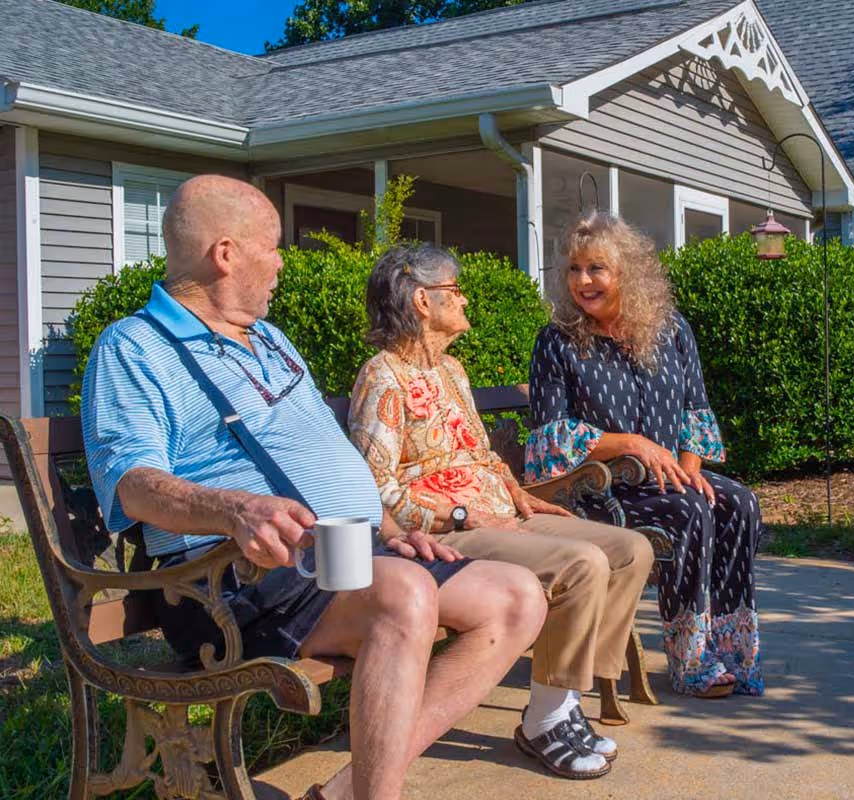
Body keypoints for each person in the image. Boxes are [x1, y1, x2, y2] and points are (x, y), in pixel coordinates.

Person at [81, 175, 547, 800]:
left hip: (341, 558)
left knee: (516, 596)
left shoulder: (272, 340)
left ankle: (346, 792)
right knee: (404, 597)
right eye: (273, 246)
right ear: (226, 254)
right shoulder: (135, 347)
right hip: (225, 582)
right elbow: (132, 483)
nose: (282, 262)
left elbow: (322, 457)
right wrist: (235, 508)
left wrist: (391, 532)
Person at [348, 242, 654, 781]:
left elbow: (480, 452)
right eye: (454, 290)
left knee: (631, 549)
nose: (464, 299)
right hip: (450, 532)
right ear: (423, 300)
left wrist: (518, 491)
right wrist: (465, 516)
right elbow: (377, 491)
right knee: (582, 562)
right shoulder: (383, 377)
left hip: (502, 514)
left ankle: (559, 700)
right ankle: (548, 717)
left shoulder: (452, 371)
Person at [525, 212, 766, 699]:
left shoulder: (671, 328)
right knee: (691, 509)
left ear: (628, 272)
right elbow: (551, 433)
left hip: (661, 479)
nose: (582, 281)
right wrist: (630, 443)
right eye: (573, 269)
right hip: (596, 486)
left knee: (737, 502)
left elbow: (695, 409)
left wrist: (688, 469)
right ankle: (691, 660)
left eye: (596, 268)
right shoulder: (558, 341)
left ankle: (734, 653)